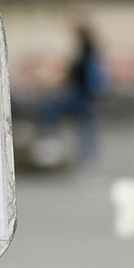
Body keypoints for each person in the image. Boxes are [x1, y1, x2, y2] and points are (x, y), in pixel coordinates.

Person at [38, 23, 103, 163]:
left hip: (80, 94)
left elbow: (75, 75)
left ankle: (51, 144)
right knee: (85, 126)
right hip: (86, 95)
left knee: (51, 111)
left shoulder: (84, 52)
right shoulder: (89, 52)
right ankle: (88, 157)